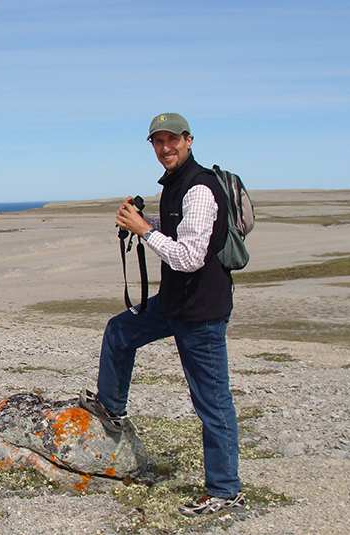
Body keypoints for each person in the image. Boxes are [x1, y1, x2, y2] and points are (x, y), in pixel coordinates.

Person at [79, 112, 244, 517]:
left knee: (212, 401)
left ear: (189, 140)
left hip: (200, 313)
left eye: (172, 140)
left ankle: (225, 491)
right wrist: (144, 220)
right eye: (158, 141)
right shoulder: (175, 185)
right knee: (120, 330)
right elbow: (179, 228)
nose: (165, 148)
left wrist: (144, 231)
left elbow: (188, 257)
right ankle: (111, 408)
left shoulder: (200, 188)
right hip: (174, 304)